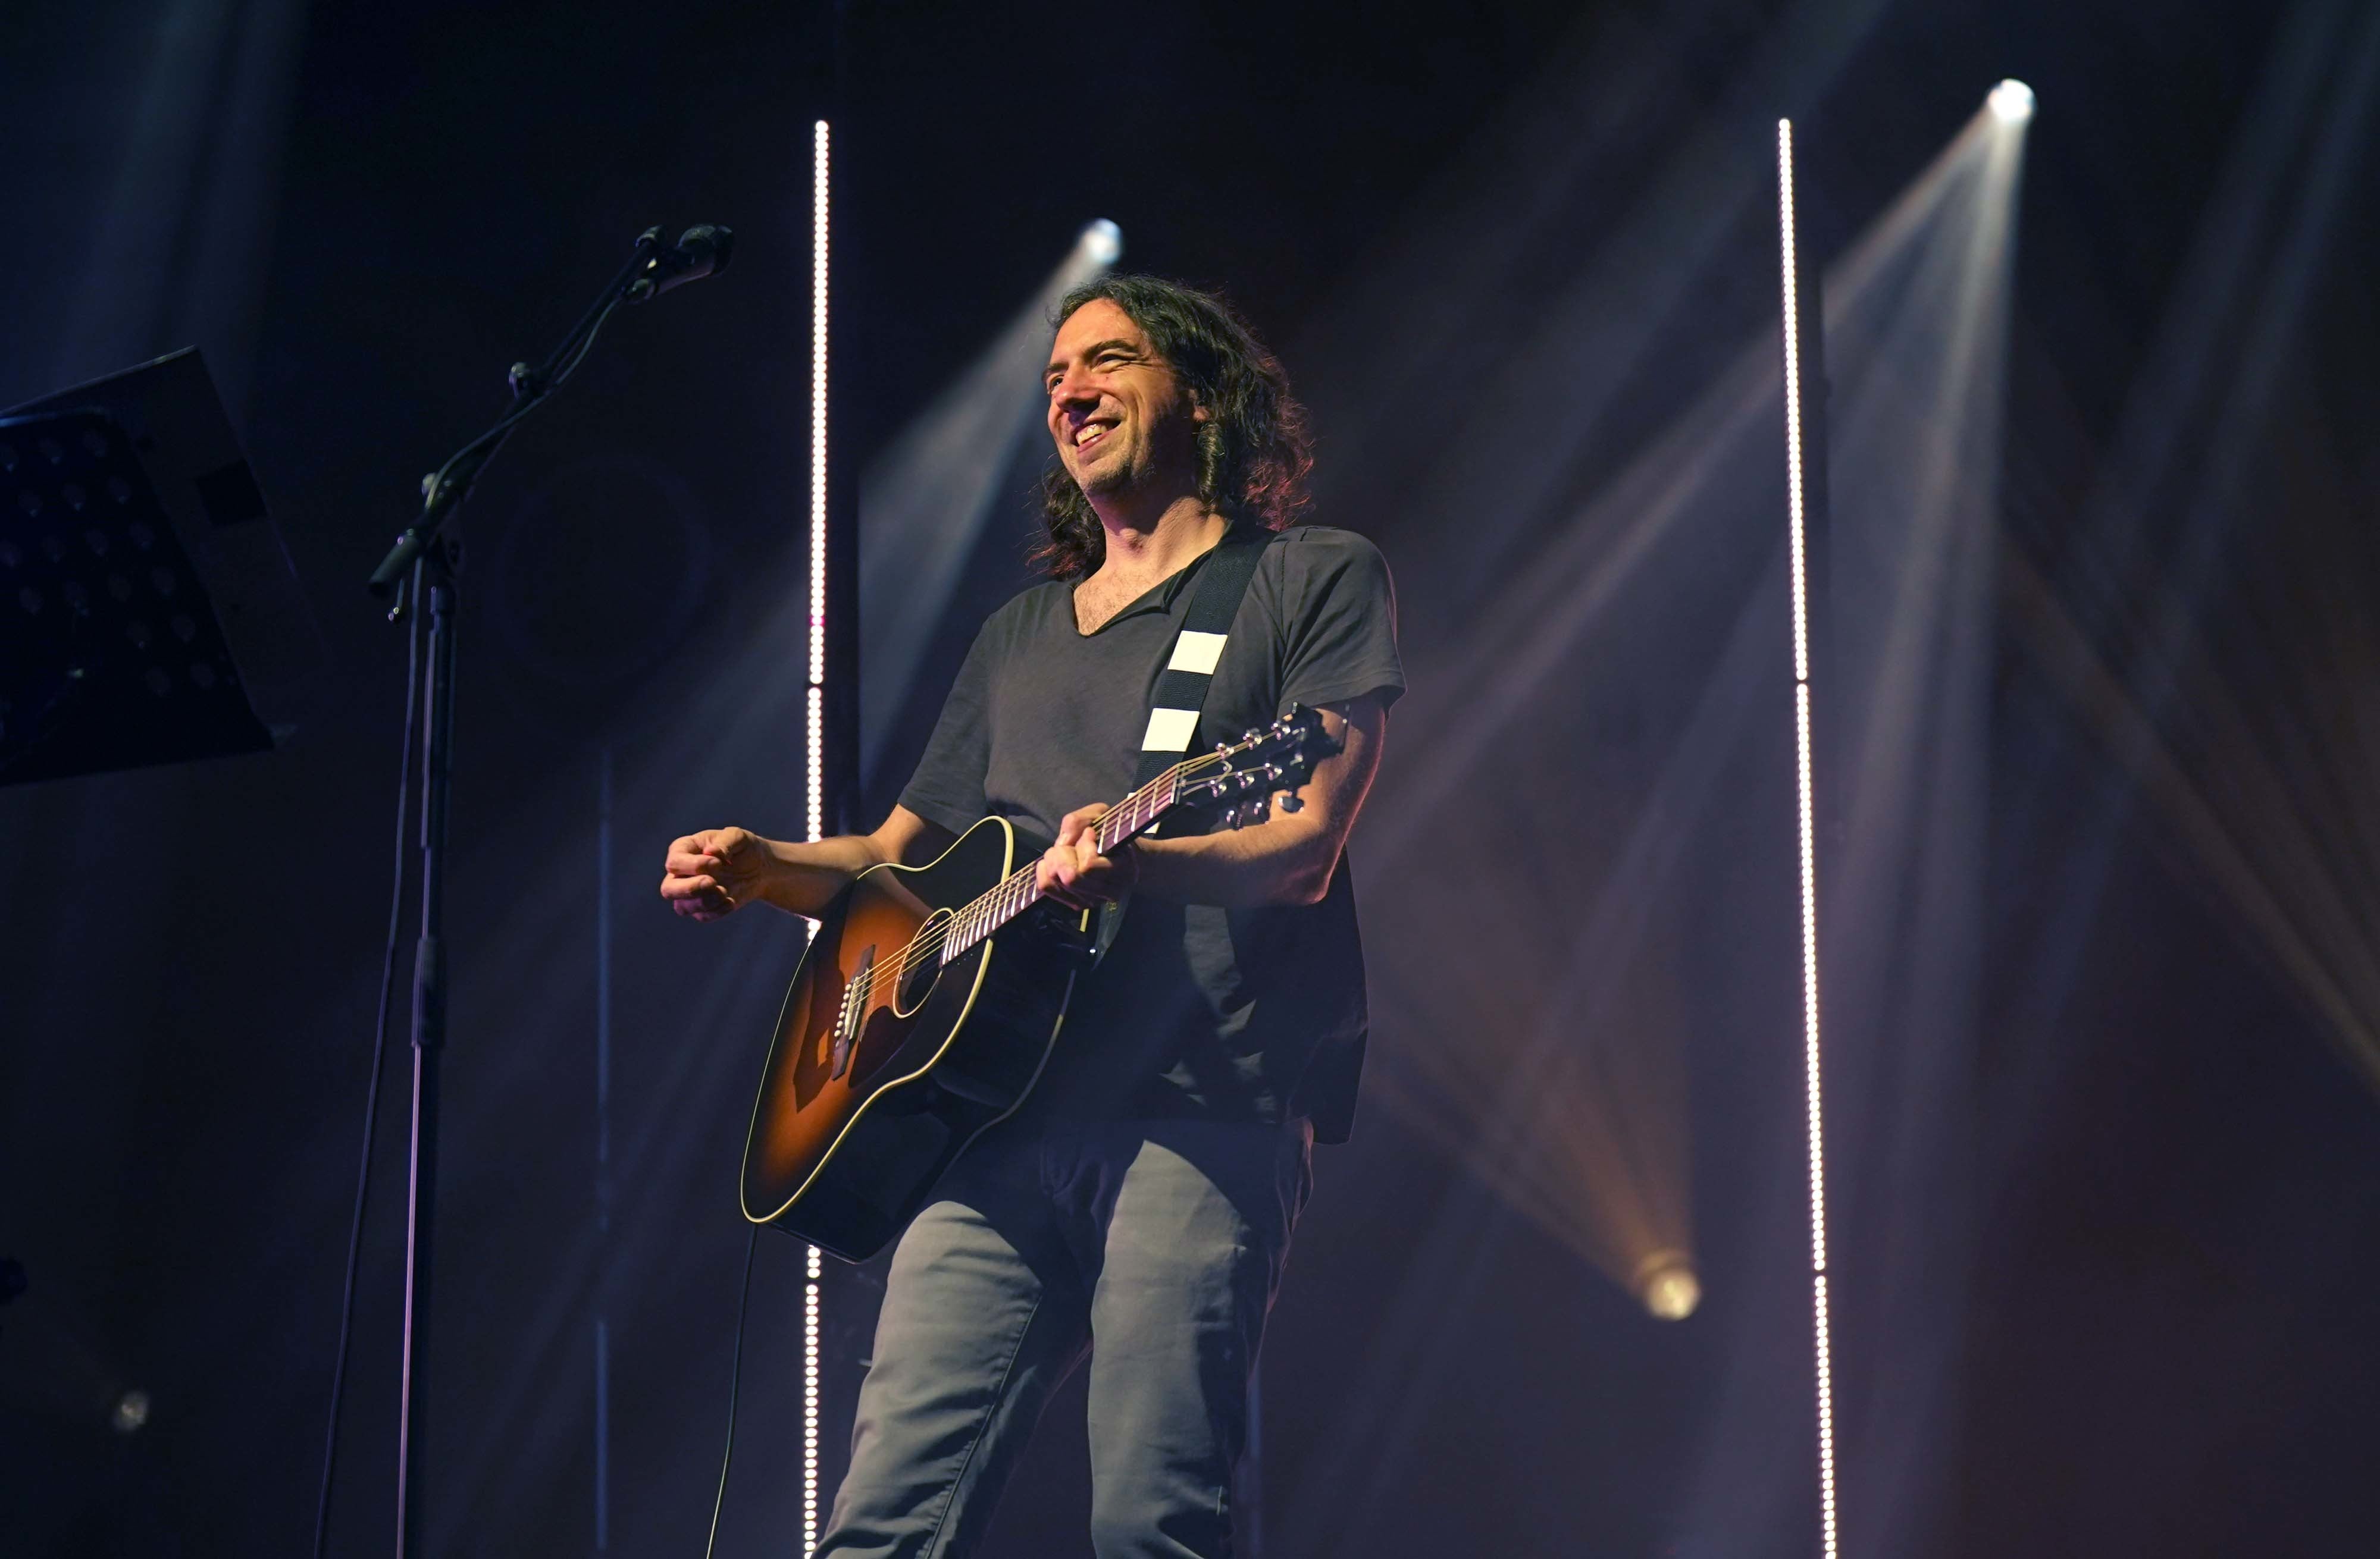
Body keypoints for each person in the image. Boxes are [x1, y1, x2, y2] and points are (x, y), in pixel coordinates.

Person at [659, 274, 1402, 1558]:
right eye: (1053, 375)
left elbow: (1302, 845)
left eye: (1108, 360)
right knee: (878, 1524)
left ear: (1205, 395)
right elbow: (898, 860)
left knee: (1154, 1521)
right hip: (995, 1118)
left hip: (1195, 1105)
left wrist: (1138, 865)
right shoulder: (1016, 634)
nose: (1068, 389)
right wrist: (765, 865)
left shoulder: (1306, 580)